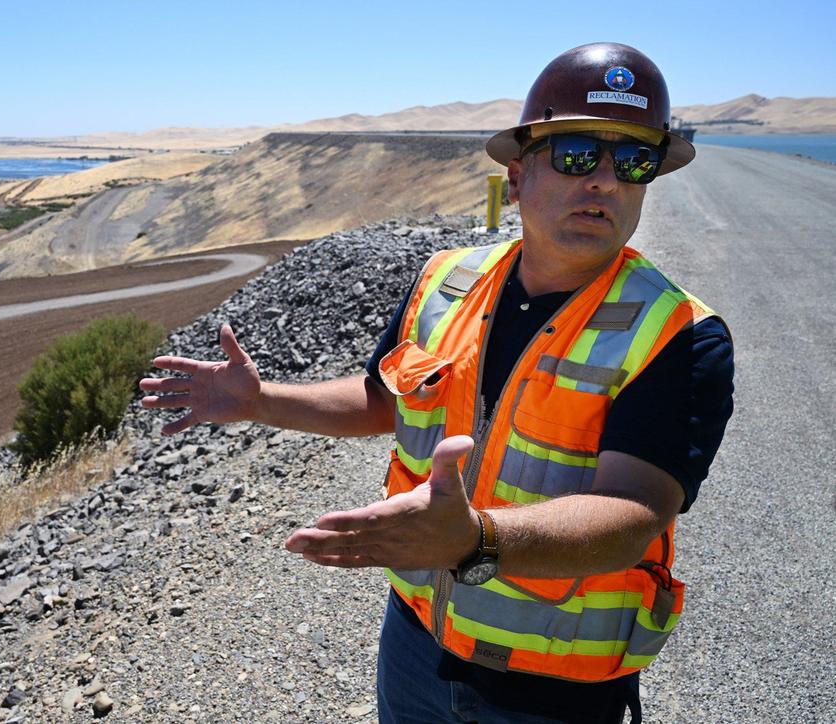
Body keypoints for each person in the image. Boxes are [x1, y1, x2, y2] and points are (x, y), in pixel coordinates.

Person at [139, 42, 733, 723]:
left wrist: (476, 539)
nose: (604, 180)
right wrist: (260, 401)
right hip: (418, 643)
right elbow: (379, 402)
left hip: (554, 689)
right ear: (517, 175)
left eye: (633, 161)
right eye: (576, 154)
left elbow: (633, 515)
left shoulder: (678, 333)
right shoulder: (446, 283)